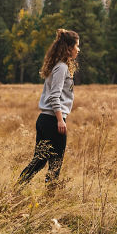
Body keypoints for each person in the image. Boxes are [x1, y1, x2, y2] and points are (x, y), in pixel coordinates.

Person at [18, 29, 80, 188]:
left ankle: (20, 188)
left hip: (47, 120)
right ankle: (43, 194)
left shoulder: (59, 66)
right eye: (76, 46)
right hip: (52, 120)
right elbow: (54, 96)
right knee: (52, 162)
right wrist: (60, 120)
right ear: (68, 48)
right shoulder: (61, 68)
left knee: (42, 160)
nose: (78, 50)